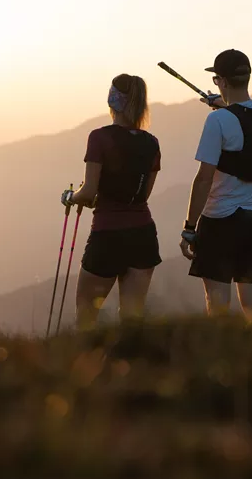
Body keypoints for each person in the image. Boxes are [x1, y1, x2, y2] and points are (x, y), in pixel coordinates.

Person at [180, 49, 252, 321]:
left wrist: (189, 228)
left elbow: (203, 179)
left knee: (218, 305)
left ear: (221, 81)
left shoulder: (217, 121)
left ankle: (220, 360)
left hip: (220, 221)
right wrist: (225, 105)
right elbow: (246, 122)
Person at [61, 73, 162, 331]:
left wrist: (71, 197)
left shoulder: (99, 138)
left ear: (112, 102)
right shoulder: (151, 143)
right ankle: (132, 366)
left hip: (108, 236)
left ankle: (89, 366)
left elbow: (89, 192)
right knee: (132, 319)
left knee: (86, 314)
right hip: (143, 235)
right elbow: (142, 196)